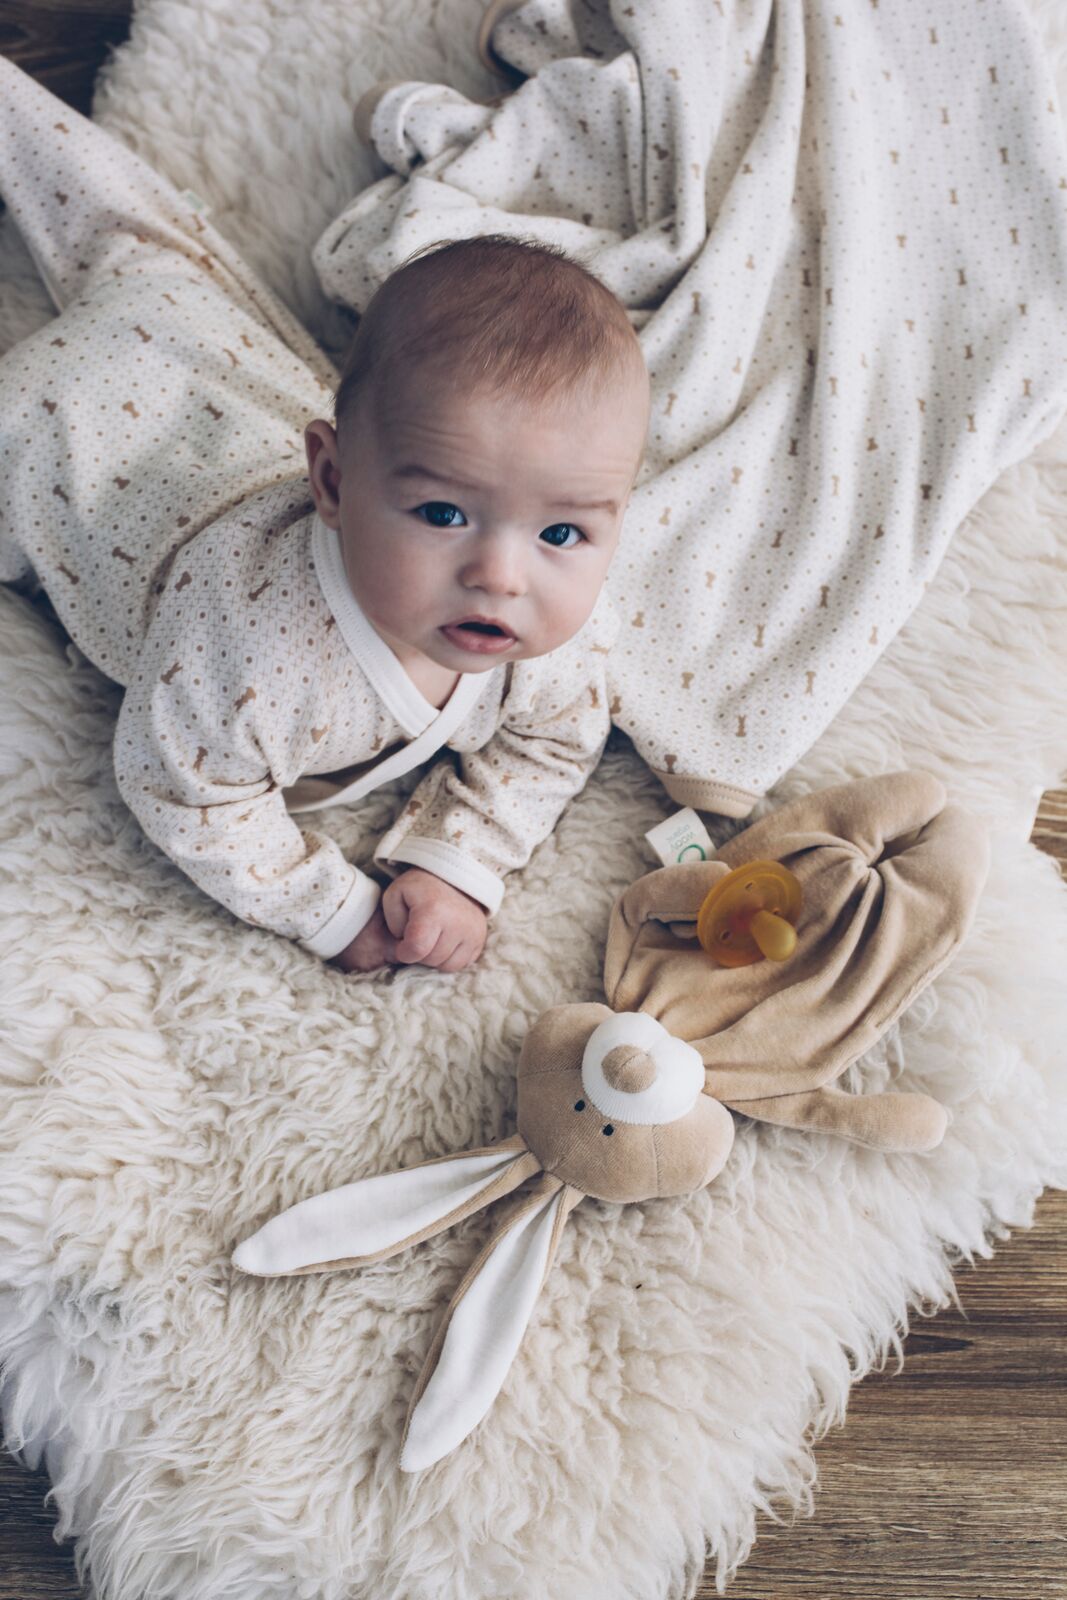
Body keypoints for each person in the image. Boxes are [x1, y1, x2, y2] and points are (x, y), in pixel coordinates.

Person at [0, 59, 651, 975]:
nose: (501, 576)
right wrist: (331, 908)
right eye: (440, 511)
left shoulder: (557, 642)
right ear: (334, 483)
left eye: (561, 534)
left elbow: (553, 740)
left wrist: (460, 862)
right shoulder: (246, 651)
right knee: (109, 228)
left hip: (209, 371)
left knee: (153, 269)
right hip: (74, 432)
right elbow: (183, 793)